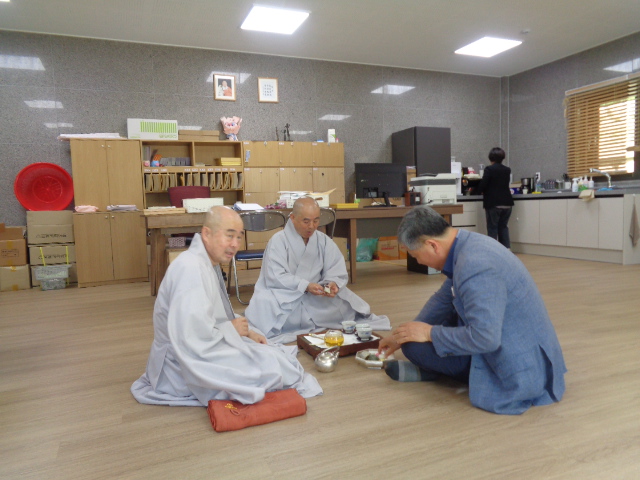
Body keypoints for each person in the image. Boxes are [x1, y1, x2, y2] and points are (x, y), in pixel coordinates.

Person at [378, 206, 566, 415]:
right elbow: (443, 299)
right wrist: (403, 334)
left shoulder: (474, 265)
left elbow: (485, 339)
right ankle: (435, 370)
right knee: (417, 337)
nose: (418, 261)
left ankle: (439, 373)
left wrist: (428, 333)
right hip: (517, 343)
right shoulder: (468, 244)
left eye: (415, 255)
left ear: (432, 245)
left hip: (518, 366)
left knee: (415, 347)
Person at [131, 206, 322, 406]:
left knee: (273, 356)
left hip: (202, 345)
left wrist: (248, 332)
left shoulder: (205, 262)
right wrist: (231, 329)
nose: (235, 244)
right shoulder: (190, 269)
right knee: (270, 368)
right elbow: (189, 338)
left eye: (239, 237)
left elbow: (212, 316)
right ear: (207, 234)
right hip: (181, 364)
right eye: (229, 236)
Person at [245, 197, 391, 344]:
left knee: (345, 301)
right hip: (285, 293)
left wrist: (332, 283)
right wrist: (305, 285)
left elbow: (335, 267)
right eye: (306, 221)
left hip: (316, 294)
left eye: (316, 221)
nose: (311, 226)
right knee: (265, 304)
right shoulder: (278, 241)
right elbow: (276, 276)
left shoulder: (323, 240)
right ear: (293, 218)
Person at [476, 147, 514, 248]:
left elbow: (483, 184)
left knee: (492, 228)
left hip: (494, 203)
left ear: (490, 157)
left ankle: (492, 250)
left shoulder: (489, 169)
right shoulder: (507, 170)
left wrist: (477, 192)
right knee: (503, 227)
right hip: (507, 203)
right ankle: (506, 250)